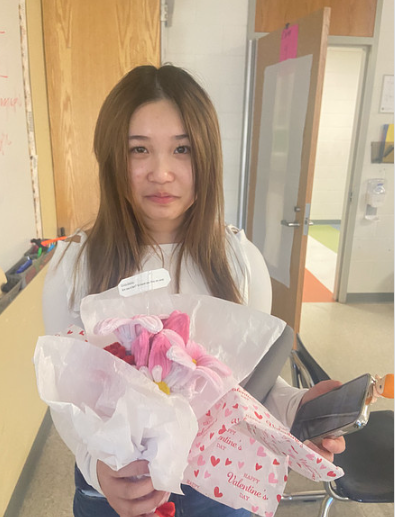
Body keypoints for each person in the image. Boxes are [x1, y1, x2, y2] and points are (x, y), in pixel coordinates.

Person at [42, 64, 345, 517]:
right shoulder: (75, 265)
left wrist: (297, 406)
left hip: (219, 486)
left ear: (205, 156)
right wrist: (96, 467)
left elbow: (246, 387)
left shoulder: (238, 260)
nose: (161, 173)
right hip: (116, 486)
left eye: (181, 149)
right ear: (111, 159)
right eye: (138, 149)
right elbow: (64, 399)